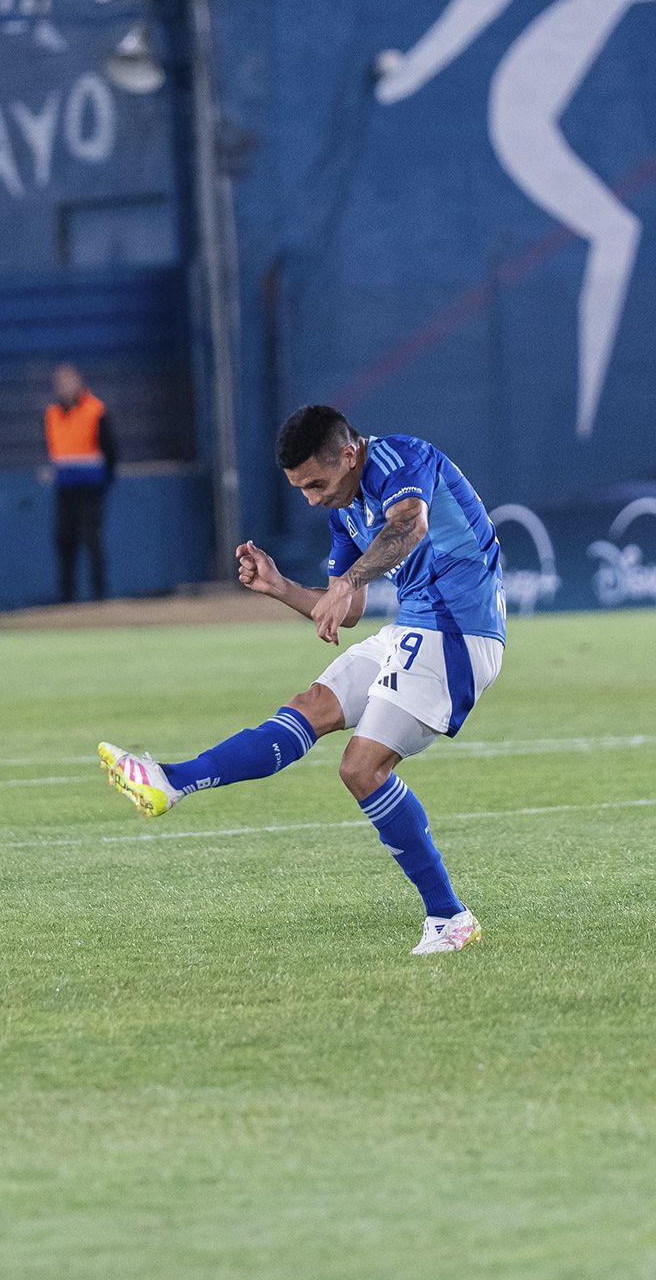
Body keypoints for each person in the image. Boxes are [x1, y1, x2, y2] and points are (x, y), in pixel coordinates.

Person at [99, 404, 506, 956]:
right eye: (301, 489)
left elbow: (410, 525)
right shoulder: (344, 508)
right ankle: (171, 781)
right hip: (413, 626)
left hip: (458, 631)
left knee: (361, 768)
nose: (312, 499)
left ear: (349, 453)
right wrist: (281, 587)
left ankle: (449, 917)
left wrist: (348, 583)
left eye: (316, 484)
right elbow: (349, 609)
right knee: (310, 705)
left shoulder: (402, 458)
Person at [45, 364, 116, 603]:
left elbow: (111, 449)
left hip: (91, 488)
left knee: (91, 538)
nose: (63, 387)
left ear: (79, 383)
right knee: (63, 539)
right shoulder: (52, 414)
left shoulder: (95, 410)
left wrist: (105, 480)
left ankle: (99, 596)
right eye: (59, 383)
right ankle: (67, 597)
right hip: (65, 489)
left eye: (67, 382)